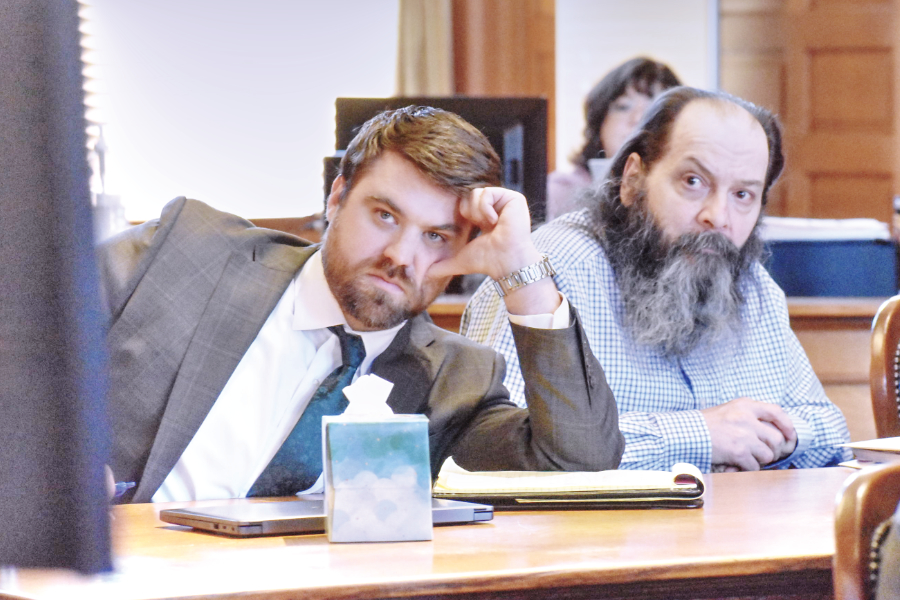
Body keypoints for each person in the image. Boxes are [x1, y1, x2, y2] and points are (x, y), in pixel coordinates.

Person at [98, 106, 623, 503]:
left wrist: (521, 270)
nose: (401, 256)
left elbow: (578, 464)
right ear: (337, 197)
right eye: (385, 216)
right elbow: (43, 319)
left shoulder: (454, 383)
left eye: (436, 236)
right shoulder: (189, 251)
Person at [463, 87, 851, 473]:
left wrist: (774, 437)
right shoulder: (547, 271)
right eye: (693, 181)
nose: (718, 216)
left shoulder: (752, 286)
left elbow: (830, 433)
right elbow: (493, 450)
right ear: (633, 179)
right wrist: (700, 435)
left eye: (743, 195)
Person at [546, 57, 681, 221]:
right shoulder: (560, 193)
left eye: (653, 110)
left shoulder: (684, 199)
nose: (638, 119)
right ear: (599, 121)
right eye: (624, 107)